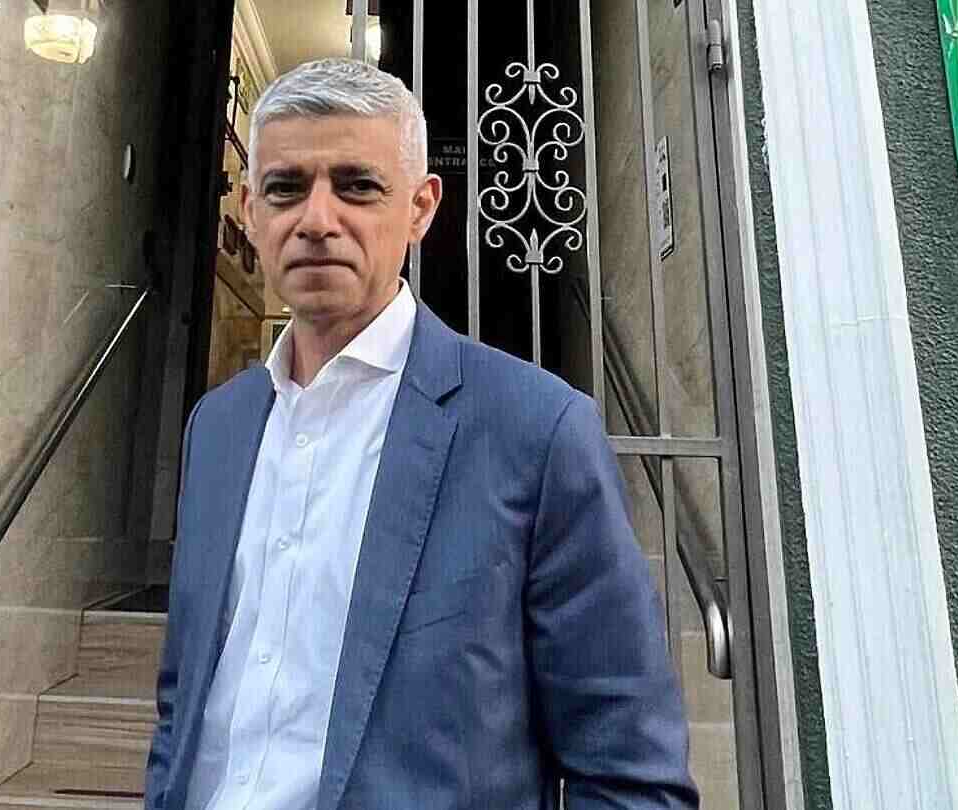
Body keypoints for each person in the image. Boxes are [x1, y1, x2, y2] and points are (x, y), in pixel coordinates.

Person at [145, 58, 697, 810]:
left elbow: (631, 770)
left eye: (357, 186)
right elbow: (184, 700)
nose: (316, 219)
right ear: (249, 209)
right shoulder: (217, 427)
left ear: (420, 208)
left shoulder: (535, 429)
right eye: (285, 188)